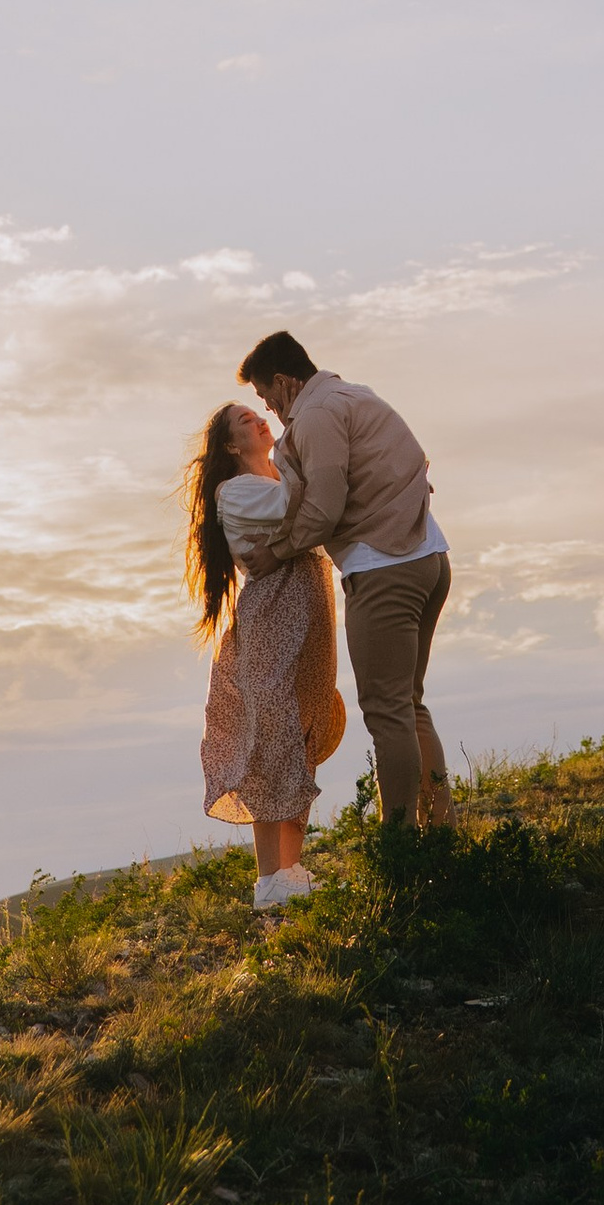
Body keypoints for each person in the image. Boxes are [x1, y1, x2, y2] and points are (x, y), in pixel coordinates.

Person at [235, 330, 454, 830]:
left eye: (266, 395)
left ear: (286, 381)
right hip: (427, 557)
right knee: (408, 703)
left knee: (385, 712)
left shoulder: (317, 416)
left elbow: (324, 509)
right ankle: (441, 831)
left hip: (384, 569)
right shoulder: (356, 395)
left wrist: (276, 552)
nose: (268, 408)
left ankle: (398, 842)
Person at [185, 399, 345, 911]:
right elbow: (293, 507)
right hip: (274, 613)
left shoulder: (276, 474)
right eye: (244, 421)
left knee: (303, 733)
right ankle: (269, 879)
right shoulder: (235, 491)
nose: (259, 418)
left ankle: (288, 872)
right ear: (233, 445)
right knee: (271, 738)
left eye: (258, 413)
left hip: (308, 611)